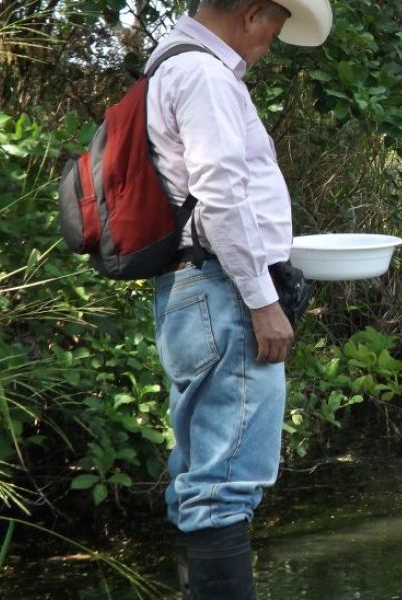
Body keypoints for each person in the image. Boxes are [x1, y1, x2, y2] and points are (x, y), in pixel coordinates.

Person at [145, 0, 331, 597]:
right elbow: (221, 195)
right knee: (226, 484)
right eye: (274, 31)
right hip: (224, 295)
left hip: (188, 293)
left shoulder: (167, 61)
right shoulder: (204, 75)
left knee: (199, 476)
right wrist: (262, 300)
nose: (269, 46)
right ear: (253, 15)